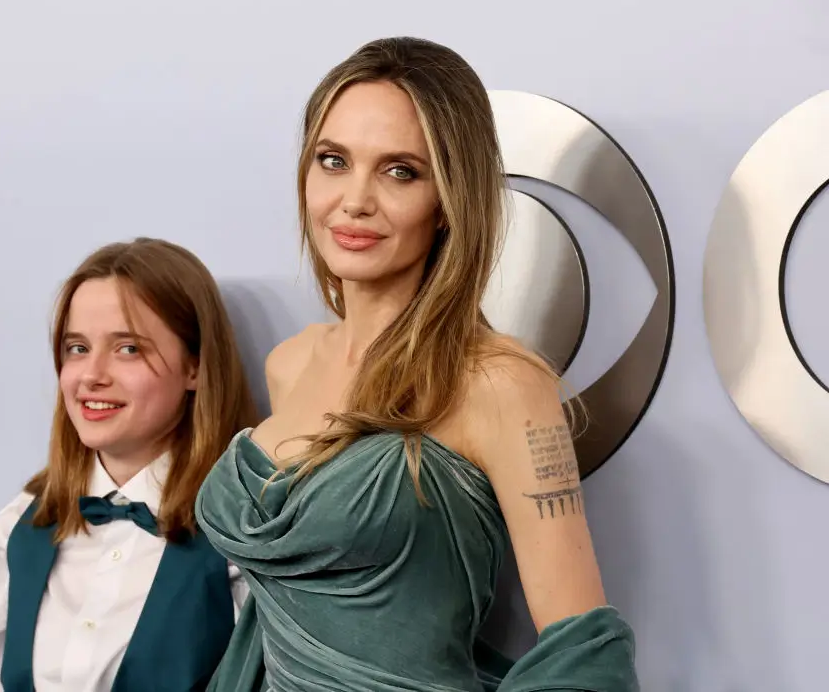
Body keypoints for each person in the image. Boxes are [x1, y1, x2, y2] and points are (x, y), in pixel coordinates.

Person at [196, 37, 639, 691]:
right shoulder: (289, 364)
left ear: (448, 200)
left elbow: (585, 654)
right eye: (333, 160)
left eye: (400, 170)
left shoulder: (501, 383)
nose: (354, 200)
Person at [0, 238, 257, 692]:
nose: (91, 374)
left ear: (195, 367)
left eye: (128, 349)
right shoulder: (16, 528)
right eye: (77, 348)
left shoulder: (243, 540)